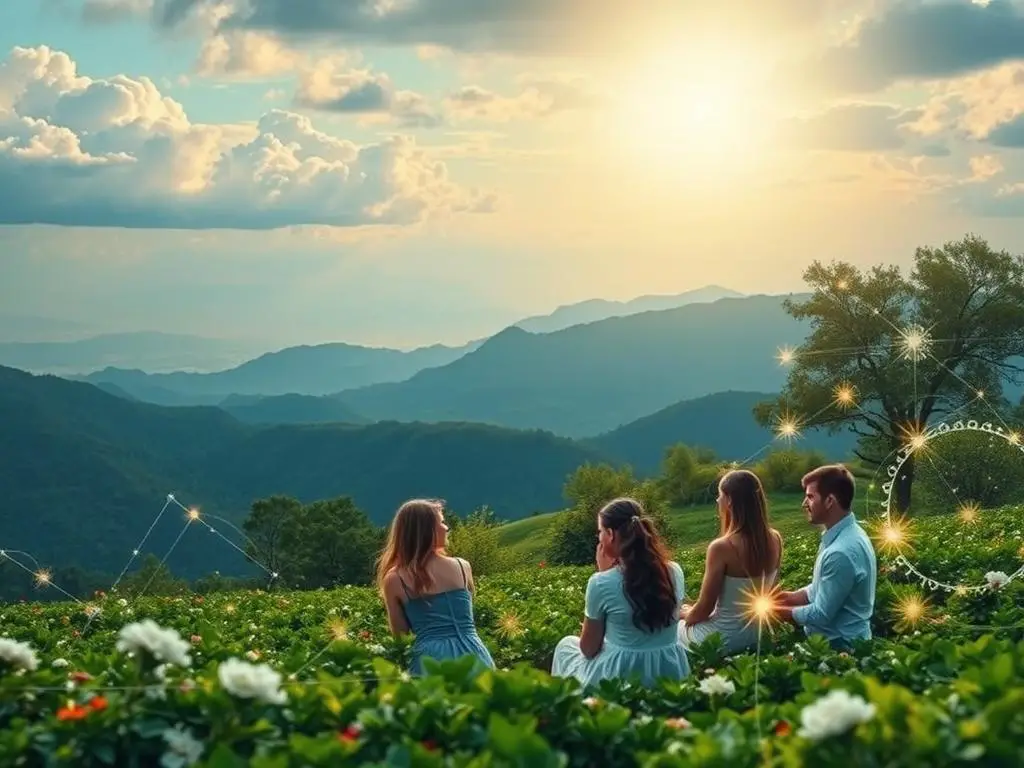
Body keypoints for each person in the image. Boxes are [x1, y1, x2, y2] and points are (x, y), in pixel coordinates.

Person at [551, 497, 690, 688]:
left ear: (610, 534)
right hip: (670, 672)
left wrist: (603, 574)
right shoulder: (674, 571)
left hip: (623, 676)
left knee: (566, 646)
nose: (598, 538)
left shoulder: (601, 583)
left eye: (600, 532)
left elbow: (589, 649)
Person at [377, 499, 495, 676]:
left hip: (430, 662)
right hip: (475, 655)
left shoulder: (395, 579)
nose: (446, 527)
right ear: (426, 531)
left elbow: (401, 639)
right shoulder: (462, 567)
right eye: (441, 522)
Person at [679, 469, 783, 653]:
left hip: (723, 638)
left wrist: (685, 614)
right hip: (757, 634)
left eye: (720, 496)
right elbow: (773, 594)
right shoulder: (775, 539)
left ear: (730, 501)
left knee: (670, 630)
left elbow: (704, 609)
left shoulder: (721, 547)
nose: (718, 501)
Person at [775, 464, 877, 650]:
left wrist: (774, 612)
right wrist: (786, 597)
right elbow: (821, 589)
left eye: (810, 497)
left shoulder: (840, 551)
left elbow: (821, 614)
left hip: (840, 647)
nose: (804, 504)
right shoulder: (846, 534)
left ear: (830, 501)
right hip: (843, 641)